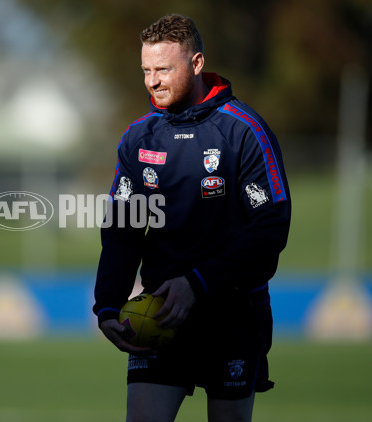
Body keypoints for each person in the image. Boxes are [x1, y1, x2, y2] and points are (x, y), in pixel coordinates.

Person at [93, 14, 291, 422]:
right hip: (160, 318)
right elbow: (122, 228)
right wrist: (108, 305)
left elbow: (271, 226)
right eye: (146, 70)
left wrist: (197, 283)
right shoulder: (138, 137)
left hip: (233, 315)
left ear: (196, 64)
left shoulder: (243, 131)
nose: (152, 81)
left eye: (163, 69)